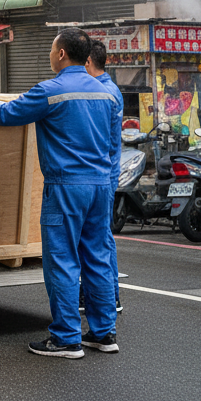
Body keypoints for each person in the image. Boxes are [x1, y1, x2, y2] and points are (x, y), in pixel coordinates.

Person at [0, 27, 122, 359]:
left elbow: (8, 114)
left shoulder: (51, 90)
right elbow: (113, 142)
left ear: (61, 54)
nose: (49, 54)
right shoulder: (107, 92)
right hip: (101, 185)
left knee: (62, 259)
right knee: (98, 258)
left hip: (67, 187)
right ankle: (103, 333)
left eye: (51, 48)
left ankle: (66, 338)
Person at [86, 40, 124, 314]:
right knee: (99, 236)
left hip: (102, 173)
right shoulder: (110, 89)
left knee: (100, 238)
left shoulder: (101, 91)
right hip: (106, 172)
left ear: (87, 61)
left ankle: (109, 296)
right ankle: (104, 295)